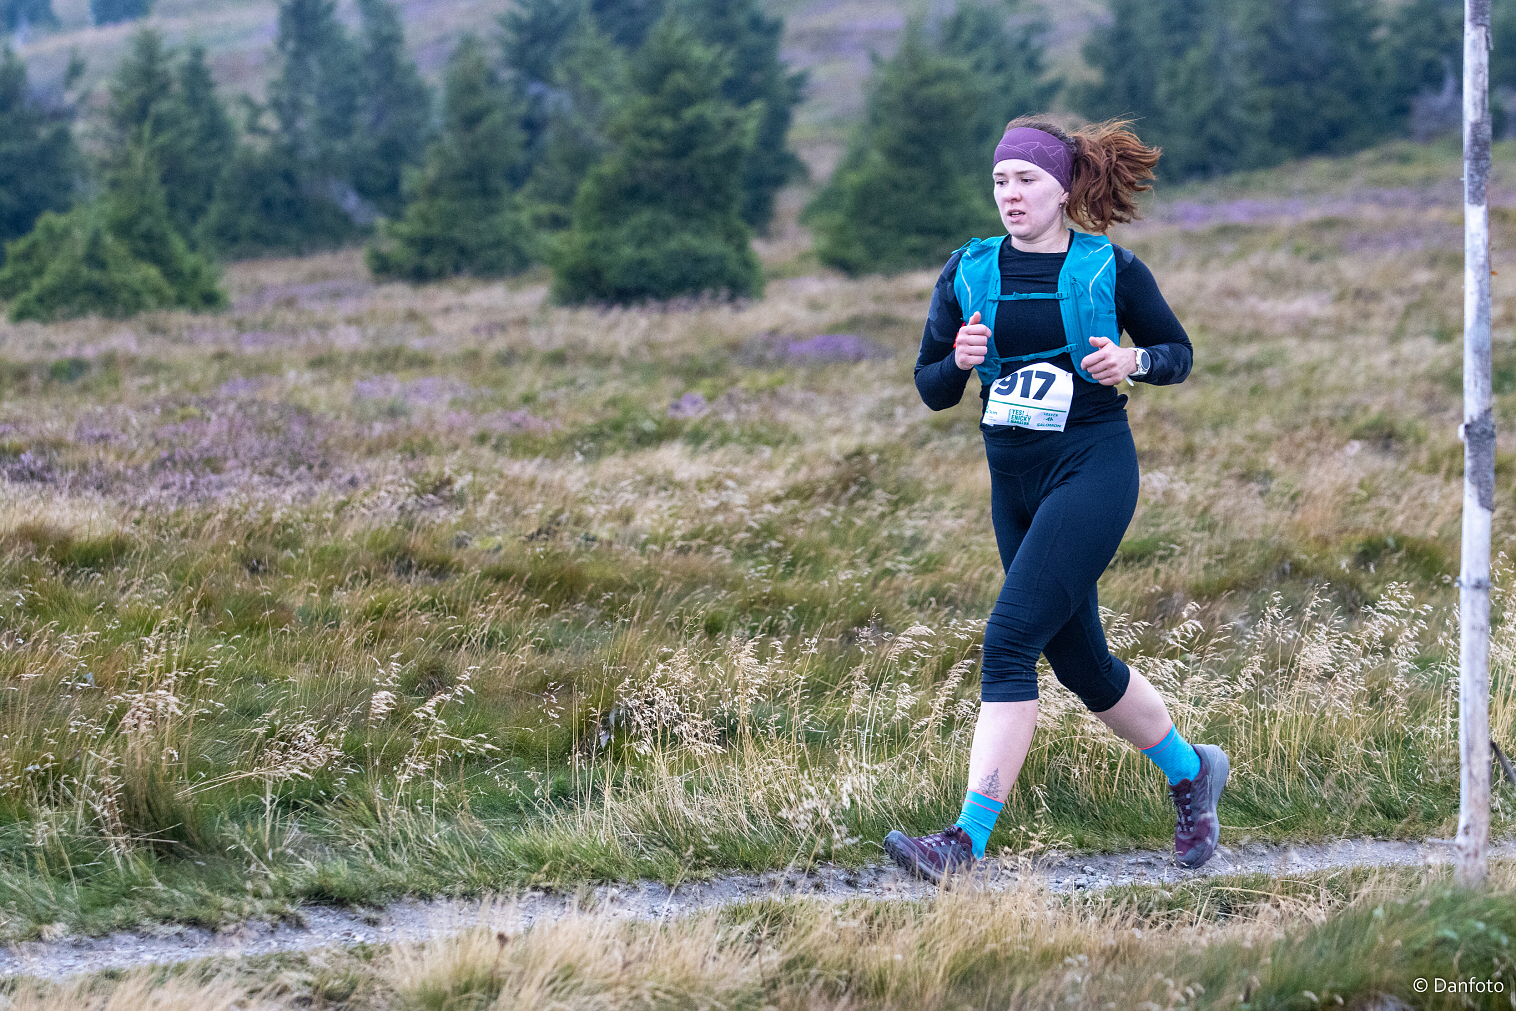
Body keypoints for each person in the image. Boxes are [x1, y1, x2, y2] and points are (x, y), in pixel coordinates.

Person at [883, 117, 1228, 883]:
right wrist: (957, 361)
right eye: (1000, 180)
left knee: (1009, 640)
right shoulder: (968, 270)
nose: (1010, 194)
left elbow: (1178, 353)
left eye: (1026, 180)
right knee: (1080, 663)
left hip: (1092, 466)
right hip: (1013, 481)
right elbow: (931, 386)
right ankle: (1192, 770)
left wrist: (1133, 360)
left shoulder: (1110, 267)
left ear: (1064, 187)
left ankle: (964, 841)